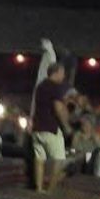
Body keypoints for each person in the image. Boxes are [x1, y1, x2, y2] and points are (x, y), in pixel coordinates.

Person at [31, 60, 72, 191]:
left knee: (39, 159)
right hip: (51, 128)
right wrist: (66, 126)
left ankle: (39, 188)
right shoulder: (55, 87)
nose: (64, 76)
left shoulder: (40, 86)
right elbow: (58, 108)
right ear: (57, 72)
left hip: (37, 128)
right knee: (59, 160)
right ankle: (50, 190)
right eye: (63, 73)